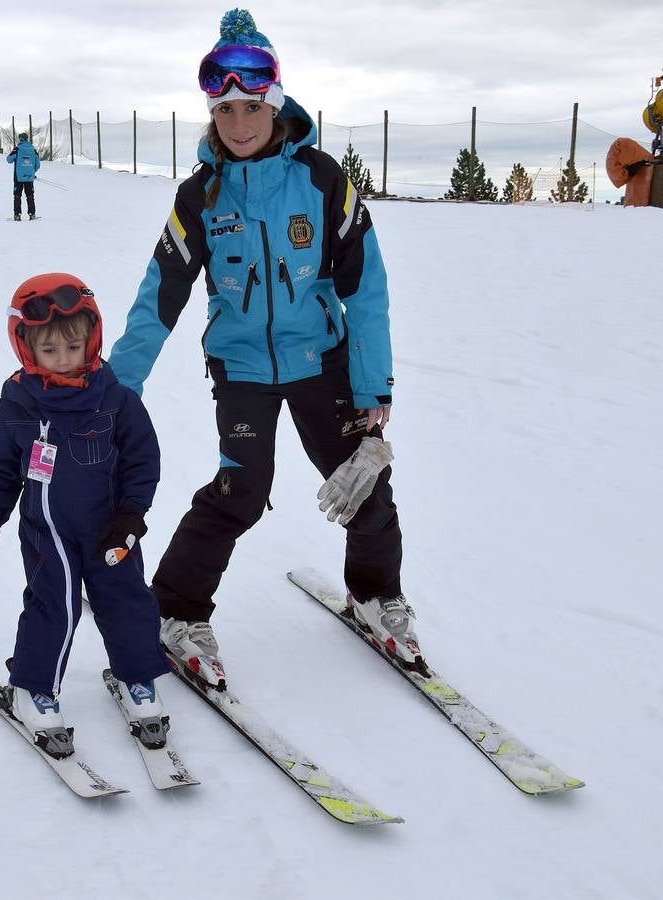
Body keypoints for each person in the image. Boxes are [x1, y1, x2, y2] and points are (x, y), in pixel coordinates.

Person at [107, 8, 424, 690]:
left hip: (322, 363)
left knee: (368, 489)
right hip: (244, 369)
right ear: (210, 116)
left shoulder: (322, 180)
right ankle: (175, 612)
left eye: (250, 107)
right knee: (239, 493)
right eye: (223, 111)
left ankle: (373, 596)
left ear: (274, 104)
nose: (239, 124)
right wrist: (114, 391)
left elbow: (364, 291)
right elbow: (157, 297)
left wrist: (373, 390)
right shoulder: (200, 196)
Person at [0, 273, 170, 751]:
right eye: (50, 350)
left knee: (127, 601)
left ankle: (136, 676)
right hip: (49, 532)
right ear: (27, 350)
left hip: (110, 530)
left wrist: (131, 516)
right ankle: (33, 686)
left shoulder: (116, 399)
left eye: (74, 346)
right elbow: (0, 465)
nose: (64, 359)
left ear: (91, 340)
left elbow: (143, 460)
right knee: (52, 607)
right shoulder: (19, 402)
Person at [7, 132, 40, 220]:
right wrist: (33, 171)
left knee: (17, 196)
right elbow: (38, 164)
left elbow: (9, 160)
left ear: (20, 139)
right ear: (27, 139)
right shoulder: (33, 149)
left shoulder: (17, 149)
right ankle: (32, 214)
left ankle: (17, 215)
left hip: (18, 178)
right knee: (30, 196)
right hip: (30, 177)